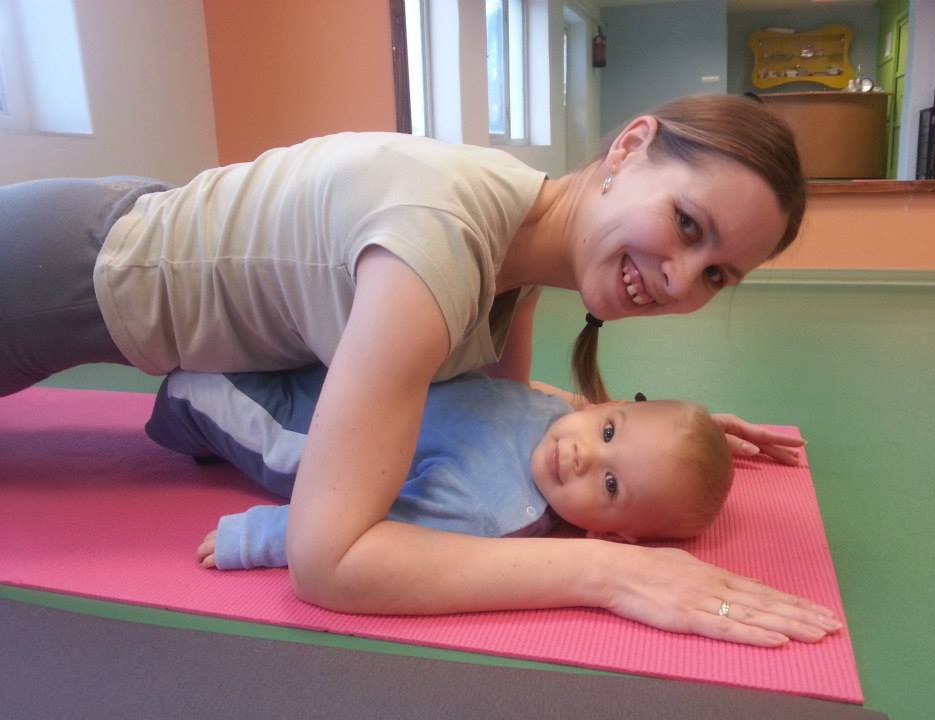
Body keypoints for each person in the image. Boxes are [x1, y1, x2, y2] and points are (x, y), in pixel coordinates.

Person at [0, 94, 838, 646]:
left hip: (111, 221)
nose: (681, 282)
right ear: (631, 146)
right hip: (50, 282)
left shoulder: (524, 240)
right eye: (688, 224)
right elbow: (328, 562)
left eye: (716, 275)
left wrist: (667, 441)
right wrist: (618, 571)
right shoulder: (436, 246)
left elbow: (485, 407)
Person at [143, 364, 735, 570]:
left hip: (317, 441)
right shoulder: (555, 412)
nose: (585, 455)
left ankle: (185, 416)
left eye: (609, 483)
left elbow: (372, 525)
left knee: (196, 390)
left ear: (611, 534)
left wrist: (259, 538)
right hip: (355, 386)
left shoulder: (491, 512)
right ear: (603, 407)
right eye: (608, 432)